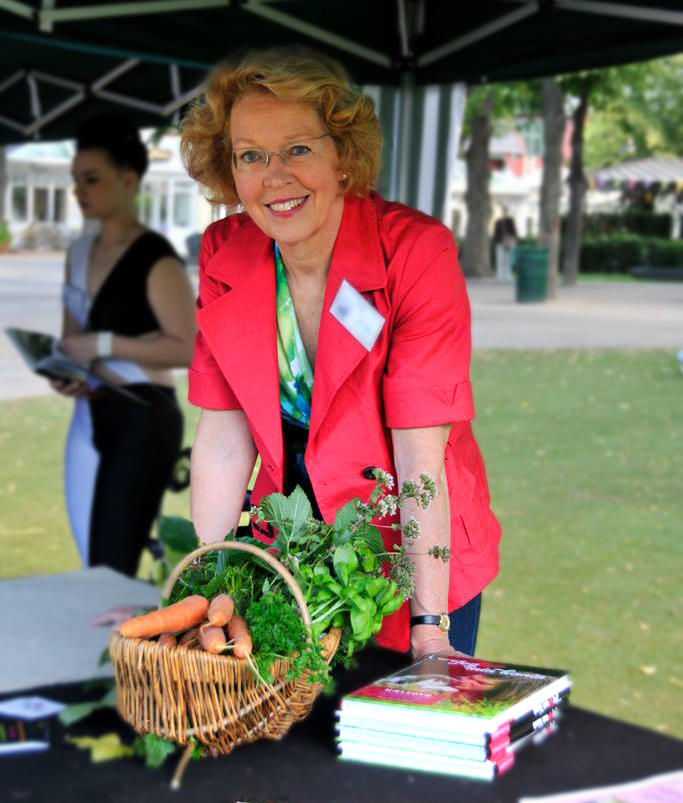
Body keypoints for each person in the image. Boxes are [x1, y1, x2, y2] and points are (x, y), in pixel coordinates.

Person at [180, 50, 501, 661]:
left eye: (298, 149)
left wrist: (429, 626)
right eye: (252, 155)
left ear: (344, 157)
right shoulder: (226, 253)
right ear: (230, 171)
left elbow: (421, 457)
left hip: (410, 547)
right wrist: (211, 587)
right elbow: (224, 437)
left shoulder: (414, 253)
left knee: (399, 739)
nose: (274, 176)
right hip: (291, 546)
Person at [52, 113, 197, 577]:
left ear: (128, 179)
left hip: (142, 417)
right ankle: (97, 645)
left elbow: (188, 348)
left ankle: (124, 649)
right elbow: (71, 341)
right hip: (88, 414)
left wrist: (106, 343)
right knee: (89, 558)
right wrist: (65, 370)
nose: (80, 191)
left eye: (91, 179)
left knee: (112, 560)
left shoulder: (155, 258)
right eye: (76, 180)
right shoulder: (77, 253)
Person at [493, 205, 518, 282]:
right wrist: (495, 242)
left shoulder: (510, 221)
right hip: (500, 242)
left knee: (508, 259)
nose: (504, 212)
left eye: (505, 210)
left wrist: (514, 241)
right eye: (503, 210)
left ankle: (507, 276)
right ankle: (500, 276)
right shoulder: (498, 221)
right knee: (500, 259)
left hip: (508, 243)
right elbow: (496, 233)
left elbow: (513, 232)